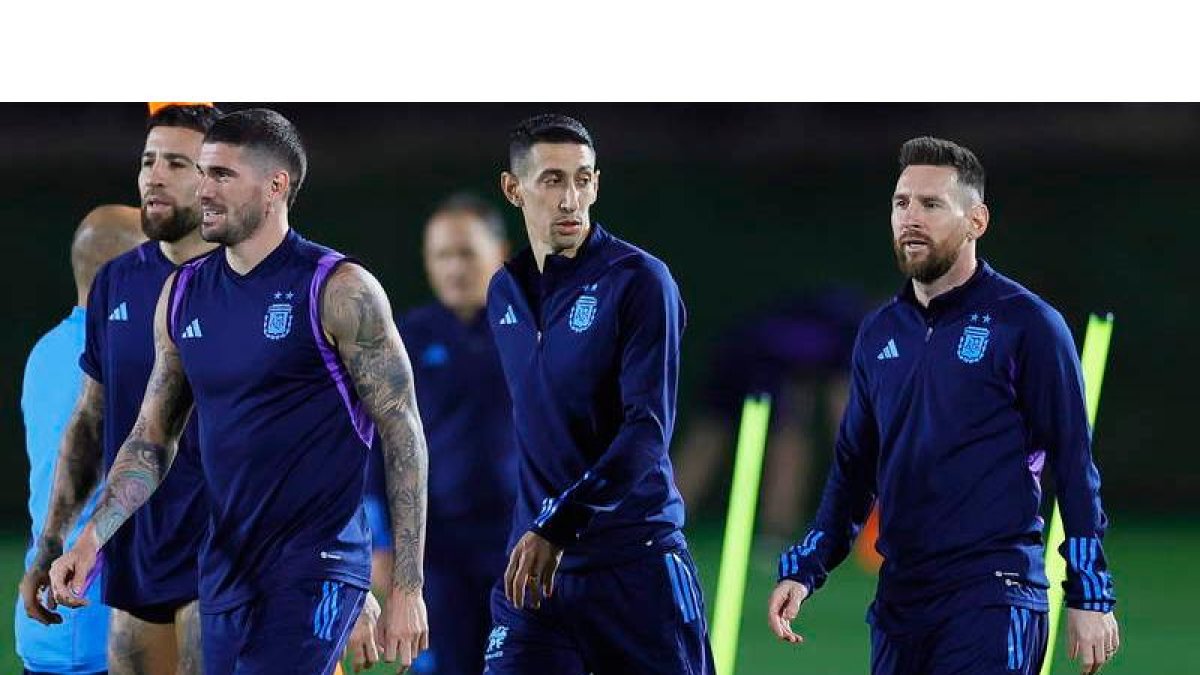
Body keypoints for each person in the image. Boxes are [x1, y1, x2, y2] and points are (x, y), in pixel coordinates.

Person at [47, 108, 429, 674]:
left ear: (276, 186)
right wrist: (90, 539)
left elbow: (404, 435)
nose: (203, 189)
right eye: (201, 173)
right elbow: (152, 439)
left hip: (316, 564)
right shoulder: (182, 294)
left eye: (222, 175)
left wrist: (405, 587)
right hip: (223, 568)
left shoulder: (338, 288)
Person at [767, 137, 1121, 675]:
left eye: (932, 205)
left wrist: (1089, 593)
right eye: (901, 202)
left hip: (994, 593)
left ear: (976, 220)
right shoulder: (879, 332)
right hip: (900, 601)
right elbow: (855, 469)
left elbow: (1073, 463)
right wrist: (806, 566)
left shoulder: (1026, 323)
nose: (912, 217)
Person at [484, 114, 714, 674]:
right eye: (552, 181)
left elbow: (646, 431)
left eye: (582, 180)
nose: (570, 199)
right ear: (514, 189)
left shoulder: (639, 281)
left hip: (635, 567)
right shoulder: (504, 292)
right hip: (536, 575)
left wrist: (559, 524)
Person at [21, 103, 221, 675]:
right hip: (137, 558)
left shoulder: (251, 276)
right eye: (148, 160)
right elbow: (91, 421)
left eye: (175, 163)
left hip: (227, 555)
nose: (154, 175)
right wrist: (53, 541)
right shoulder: (119, 281)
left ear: (214, 180)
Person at [369, 192, 518, 675]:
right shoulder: (405, 339)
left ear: (501, 254)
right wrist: (380, 542)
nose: (454, 268)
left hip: (520, 546)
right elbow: (375, 447)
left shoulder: (532, 334)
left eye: (466, 253)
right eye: (442, 255)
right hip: (437, 552)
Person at [16, 205, 145, 675]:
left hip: (43, 629)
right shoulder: (128, 361)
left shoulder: (44, 351)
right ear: (128, 274)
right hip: (107, 627)